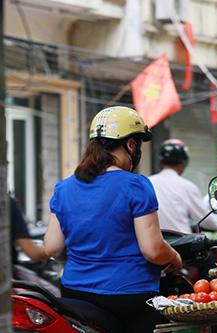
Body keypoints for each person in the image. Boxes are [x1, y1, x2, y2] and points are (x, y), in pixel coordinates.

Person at [44, 106, 182, 333]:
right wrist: (175, 257)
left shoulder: (64, 188)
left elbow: (53, 247)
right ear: (131, 145)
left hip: (75, 295)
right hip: (130, 296)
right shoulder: (135, 185)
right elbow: (153, 250)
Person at [149, 139, 217, 234]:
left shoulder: (147, 182)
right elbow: (203, 217)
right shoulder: (187, 186)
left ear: (160, 162)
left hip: (152, 242)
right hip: (181, 243)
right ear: (183, 163)